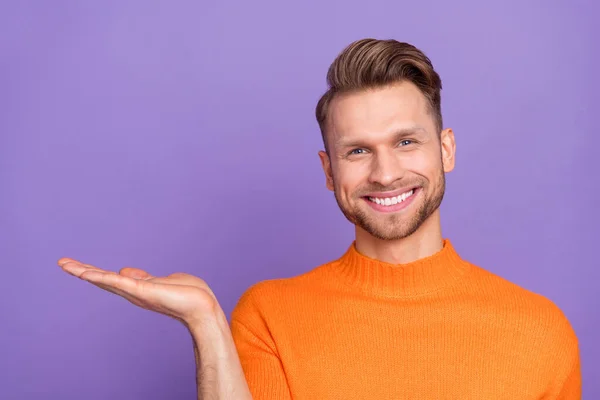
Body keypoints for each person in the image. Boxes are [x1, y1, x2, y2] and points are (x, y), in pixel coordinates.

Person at [58, 38, 581, 399]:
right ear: (329, 171)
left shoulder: (539, 330)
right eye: (357, 152)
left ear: (445, 149)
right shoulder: (269, 315)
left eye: (406, 141)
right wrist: (205, 323)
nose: (385, 173)